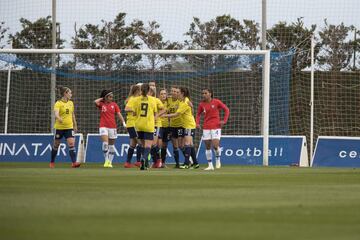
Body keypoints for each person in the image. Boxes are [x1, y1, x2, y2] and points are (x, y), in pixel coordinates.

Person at [163, 87, 199, 169]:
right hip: (187, 125)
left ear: (182, 93)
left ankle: (186, 163)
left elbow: (176, 114)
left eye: (178, 92)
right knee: (190, 144)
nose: (176, 93)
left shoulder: (185, 103)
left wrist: (163, 115)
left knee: (187, 144)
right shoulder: (183, 100)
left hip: (189, 125)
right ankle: (195, 163)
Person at [125, 83, 158, 170]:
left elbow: (134, 112)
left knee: (142, 144)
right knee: (148, 145)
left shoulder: (136, 100)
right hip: (148, 125)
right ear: (148, 91)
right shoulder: (152, 100)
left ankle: (145, 163)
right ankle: (144, 159)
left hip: (139, 125)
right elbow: (155, 113)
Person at [196, 88, 230, 170]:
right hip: (206, 127)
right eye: (202, 93)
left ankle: (218, 159)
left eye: (205, 93)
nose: (203, 95)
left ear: (210, 94)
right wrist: (197, 123)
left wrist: (224, 121)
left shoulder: (216, 102)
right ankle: (210, 165)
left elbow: (226, 110)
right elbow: (198, 114)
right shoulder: (201, 104)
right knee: (207, 146)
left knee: (215, 146)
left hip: (216, 126)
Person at [50, 86, 81, 168]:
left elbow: (72, 114)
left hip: (69, 127)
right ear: (65, 94)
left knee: (71, 143)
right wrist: (58, 118)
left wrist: (75, 124)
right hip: (59, 128)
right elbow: (56, 113)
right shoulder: (58, 103)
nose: (71, 94)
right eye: (70, 93)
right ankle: (52, 162)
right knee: (56, 145)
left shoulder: (71, 103)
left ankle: (74, 163)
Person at [95, 90, 126, 168]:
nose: (111, 98)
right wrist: (102, 98)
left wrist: (123, 122)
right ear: (106, 97)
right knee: (105, 143)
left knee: (111, 146)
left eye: (112, 97)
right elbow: (95, 102)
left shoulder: (114, 105)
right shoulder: (101, 104)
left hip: (113, 127)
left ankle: (110, 162)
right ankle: (106, 161)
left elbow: (119, 114)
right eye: (110, 96)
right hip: (103, 126)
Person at [124, 85, 142, 168]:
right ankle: (138, 161)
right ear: (137, 91)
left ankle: (127, 162)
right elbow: (126, 109)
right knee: (140, 143)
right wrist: (133, 110)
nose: (141, 92)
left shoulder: (135, 99)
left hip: (133, 124)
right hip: (132, 124)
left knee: (132, 144)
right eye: (140, 90)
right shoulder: (132, 99)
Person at [148, 87, 166, 168]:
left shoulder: (156, 100)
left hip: (156, 124)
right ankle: (156, 161)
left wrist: (156, 116)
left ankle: (158, 161)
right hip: (148, 124)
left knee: (154, 144)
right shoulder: (144, 100)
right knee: (151, 144)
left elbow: (164, 110)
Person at [167, 86, 182, 168]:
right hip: (172, 126)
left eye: (176, 91)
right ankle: (177, 164)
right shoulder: (168, 99)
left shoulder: (181, 101)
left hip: (180, 125)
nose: (174, 93)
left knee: (181, 145)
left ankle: (189, 161)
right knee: (175, 146)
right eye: (172, 91)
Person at [158, 88, 171, 167]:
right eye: (161, 94)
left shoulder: (168, 102)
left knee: (164, 146)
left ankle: (163, 163)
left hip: (167, 127)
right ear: (159, 95)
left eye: (164, 94)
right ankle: (156, 161)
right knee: (157, 145)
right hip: (159, 126)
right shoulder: (157, 102)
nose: (163, 95)